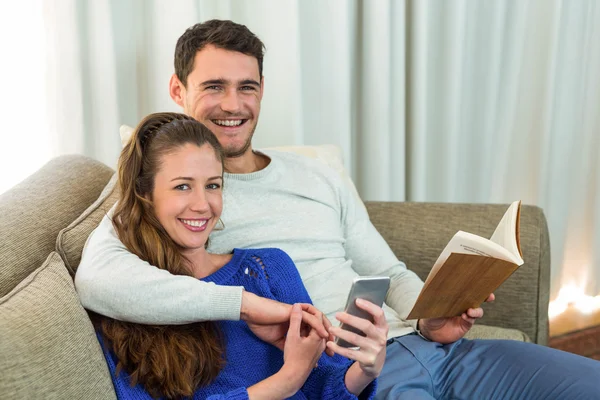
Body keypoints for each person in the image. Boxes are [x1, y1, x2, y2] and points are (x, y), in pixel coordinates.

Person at [76, 19, 600, 398]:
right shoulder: (166, 195)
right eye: (214, 86)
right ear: (178, 90)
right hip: (351, 373)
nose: (233, 105)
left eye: (247, 87)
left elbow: (386, 269)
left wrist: (431, 315)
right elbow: (100, 280)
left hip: (425, 347)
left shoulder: (317, 173)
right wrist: (260, 309)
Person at [94, 111, 386, 399]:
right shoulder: (124, 305)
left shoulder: (267, 268)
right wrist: (286, 380)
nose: (202, 205)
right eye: (182, 186)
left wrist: (364, 370)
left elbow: (327, 388)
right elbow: (295, 378)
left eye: (213, 185)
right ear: (145, 194)